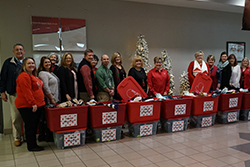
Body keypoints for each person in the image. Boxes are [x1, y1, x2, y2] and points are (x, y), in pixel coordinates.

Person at [15, 57, 45, 151]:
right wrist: (32, 103)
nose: (31, 65)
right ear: (24, 65)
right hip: (27, 105)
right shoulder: (24, 76)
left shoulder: (31, 75)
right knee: (31, 126)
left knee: (33, 125)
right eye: (29, 63)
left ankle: (32, 144)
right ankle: (32, 146)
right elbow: (26, 91)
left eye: (32, 63)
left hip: (35, 104)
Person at [0, 44, 25, 146]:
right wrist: (2, 92)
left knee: (27, 117)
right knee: (15, 117)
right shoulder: (8, 63)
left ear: (24, 51)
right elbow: (2, 78)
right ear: (13, 52)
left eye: (21, 49)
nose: (19, 51)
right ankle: (17, 138)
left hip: (26, 95)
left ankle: (27, 136)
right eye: (17, 50)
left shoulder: (27, 62)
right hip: (13, 94)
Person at [37, 57, 60, 142]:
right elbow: (45, 87)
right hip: (49, 99)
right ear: (42, 64)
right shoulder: (42, 73)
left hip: (54, 98)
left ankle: (50, 136)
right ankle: (45, 136)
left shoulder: (50, 73)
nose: (48, 64)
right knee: (45, 119)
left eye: (49, 62)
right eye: (45, 62)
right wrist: (51, 98)